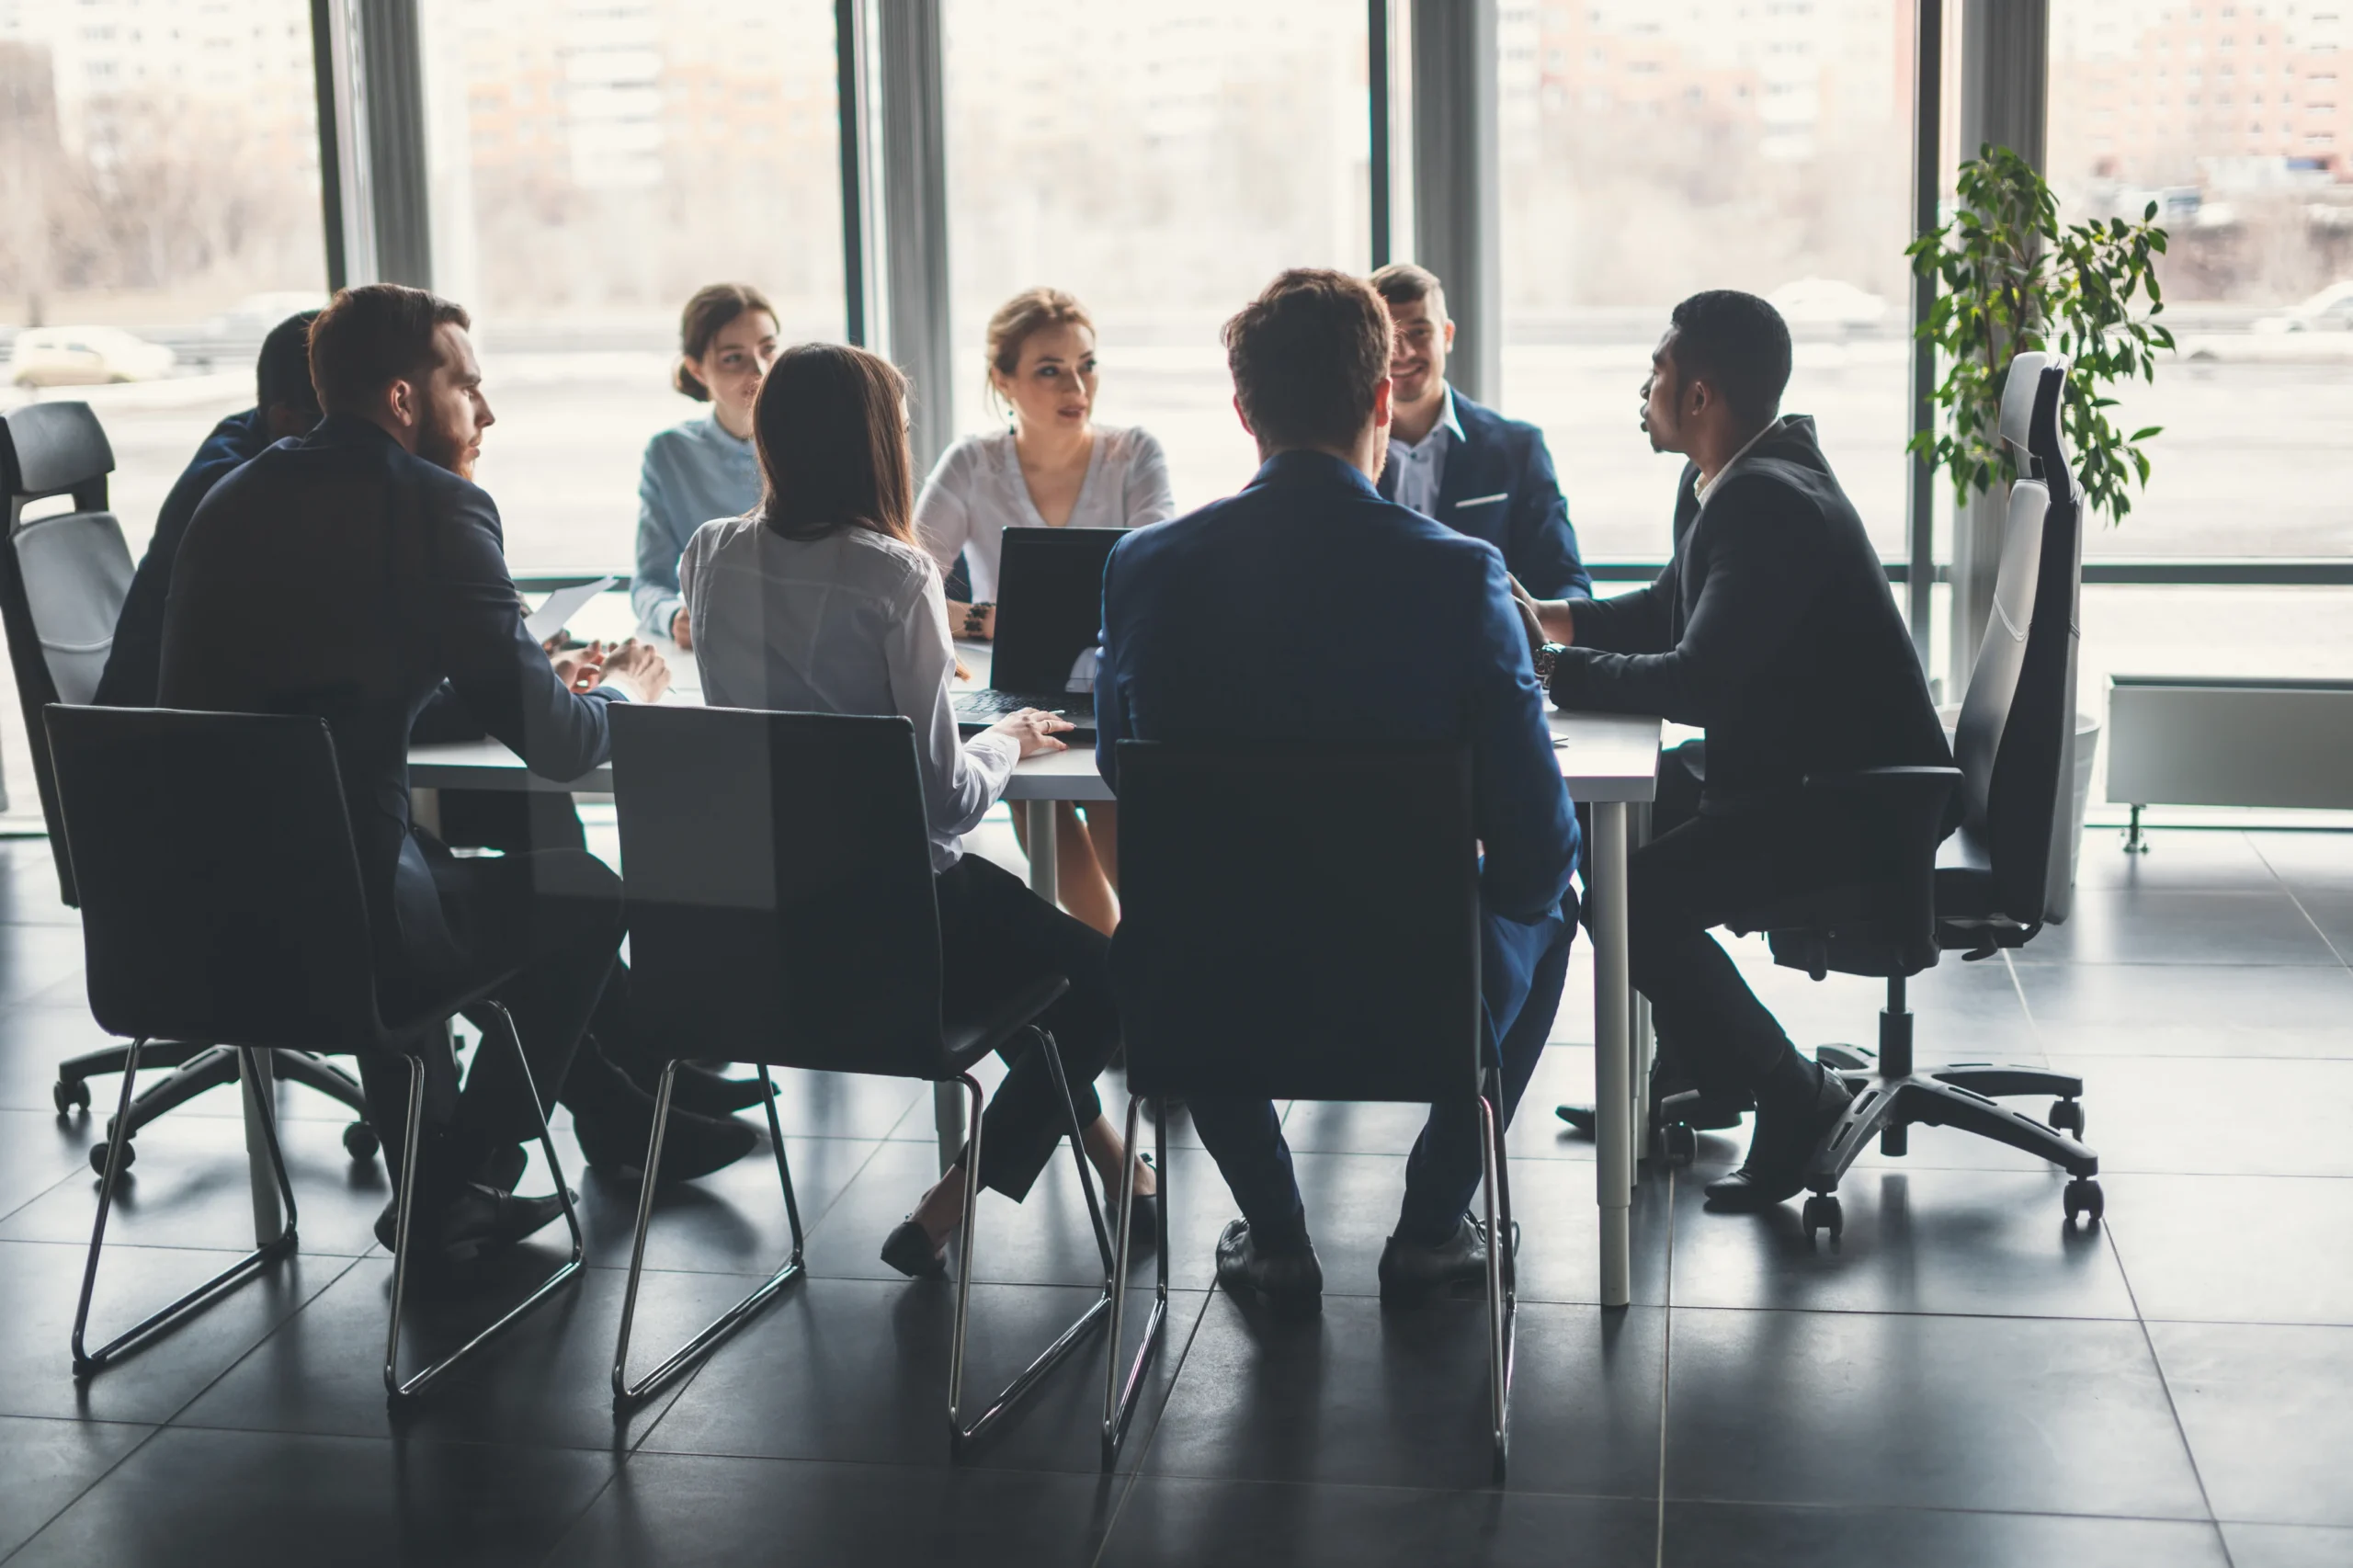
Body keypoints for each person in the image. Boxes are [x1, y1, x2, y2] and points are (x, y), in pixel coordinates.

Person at [159, 284, 754, 1274]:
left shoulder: (236, 496)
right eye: (468, 387)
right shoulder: (438, 506)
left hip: (189, 918)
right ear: (402, 398)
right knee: (581, 897)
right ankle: (462, 1172)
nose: (488, 413)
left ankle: (580, 1127)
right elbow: (561, 746)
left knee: (431, 865)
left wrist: (503, 678)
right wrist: (630, 705)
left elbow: (323, 677)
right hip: (346, 926)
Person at [1095, 269, 1581, 1308]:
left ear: (1242, 411)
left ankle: (1274, 1230)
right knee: (1558, 906)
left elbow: (1115, 769)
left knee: (1178, 929)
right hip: (1419, 993)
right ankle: (1432, 1222)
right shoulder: (1459, 576)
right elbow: (1538, 849)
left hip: (1210, 995)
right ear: (1377, 401)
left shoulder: (1144, 565)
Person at [677, 340, 1156, 1279]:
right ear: (872, 446)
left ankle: (1116, 1162)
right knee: (1108, 979)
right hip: (899, 926)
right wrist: (1007, 736)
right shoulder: (895, 576)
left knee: (1031, 973)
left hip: (761, 929)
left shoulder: (709, 553)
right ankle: (950, 1198)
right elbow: (946, 800)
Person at [1514, 290, 1954, 1212]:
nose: (1645, 387)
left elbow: (1695, 682)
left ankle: (1792, 1088)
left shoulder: (1765, 501)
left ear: (1702, 394)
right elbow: (1673, 610)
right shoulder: (1732, 476)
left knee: (1631, 901)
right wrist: (1546, 621)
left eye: (1658, 370)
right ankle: (1700, 1072)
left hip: (1851, 798)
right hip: (1793, 765)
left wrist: (1554, 668)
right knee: (1624, 834)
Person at [914, 288, 1175, 936]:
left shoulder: (1134, 453)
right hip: (1019, 682)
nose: (1077, 384)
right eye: (1050, 369)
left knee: (1114, 795)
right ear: (1002, 380)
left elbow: (1163, 578)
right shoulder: (972, 464)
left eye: (1087, 364)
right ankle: (1112, 963)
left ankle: (1140, 955)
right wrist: (986, 621)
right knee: (1038, 800)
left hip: (1116, 674)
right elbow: (908, 584)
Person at [96, 311, 321, 709]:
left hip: (199, 731)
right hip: (163, 750)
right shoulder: (235, 492)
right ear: (286, 419)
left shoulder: (253, 433)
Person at [1368, 263, 1592, 600]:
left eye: (1419, 331)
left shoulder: (1518, 448)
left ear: (1446, 336)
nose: (1404, 352)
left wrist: (1540, 645)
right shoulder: (1340, 450)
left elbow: (1565, 578)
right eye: (1390, 336)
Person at [632, 283, 780, 647]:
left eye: (769, 349)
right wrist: (672, 618)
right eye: (734, 358)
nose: (760, 370)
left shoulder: (820, 438)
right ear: (697, 370)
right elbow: (648, 583)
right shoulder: (670, 454)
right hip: (723, 644)